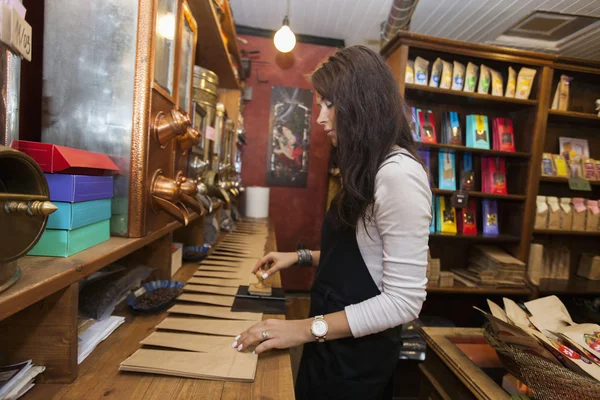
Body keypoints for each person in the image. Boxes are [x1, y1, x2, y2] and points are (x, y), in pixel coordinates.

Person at [232, 46, 431, 400]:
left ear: (360, 106)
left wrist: (303, 330)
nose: (320, 118)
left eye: (328, 104)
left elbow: (403, 301)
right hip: (328, 339)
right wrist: (300, 257)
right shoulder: (367, 168)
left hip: (356, 360)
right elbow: (363, 255)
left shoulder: (399, 176)